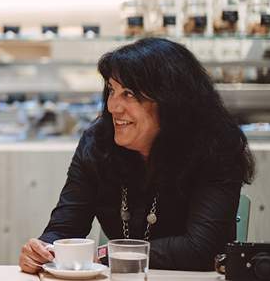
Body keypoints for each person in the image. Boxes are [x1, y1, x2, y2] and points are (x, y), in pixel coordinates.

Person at [19, 37, 254, 272]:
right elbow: (65, 227)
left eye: (129, 94)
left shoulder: (216, 146)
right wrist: (44, 249)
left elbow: (202, 249)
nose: (113, 106)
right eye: (112, 90)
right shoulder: (97, 144)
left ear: (170, 100)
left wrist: (107, 255)